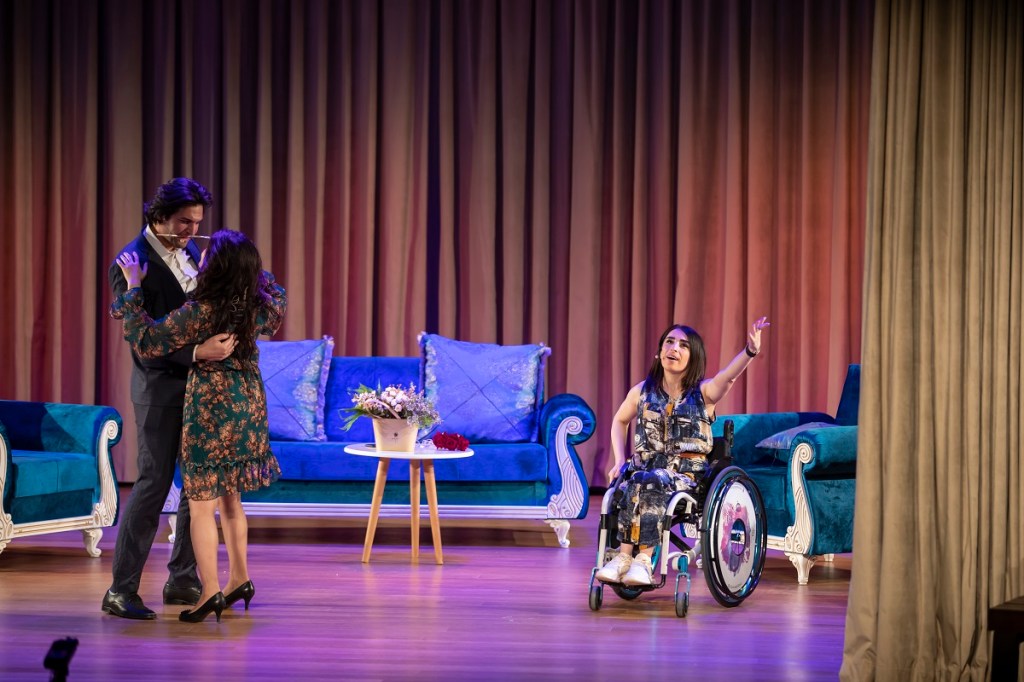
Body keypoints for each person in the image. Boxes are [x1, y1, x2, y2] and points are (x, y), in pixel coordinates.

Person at [111, 229, 286, 623]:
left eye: (206, 255)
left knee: (203, 506)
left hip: (212, 408)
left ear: (216, 267)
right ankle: (239, 578)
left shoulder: (200, 311)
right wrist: (248, 268)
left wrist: (134, 286)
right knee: (232, 499)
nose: (198, 256)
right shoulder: (257, 307)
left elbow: (145, 339)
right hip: (248, 406)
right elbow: (277, 291)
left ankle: (209, 592)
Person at [103, 178, 238, 620]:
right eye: (184, 222)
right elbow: (141, 341)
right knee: (153, 484)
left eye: (197, 223)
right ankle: (121, 590)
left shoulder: (191, 250)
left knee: (197, 485)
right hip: (160, 388)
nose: (192, 231)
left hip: (201, 388)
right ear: (159, 216)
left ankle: (182, 578)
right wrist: (198, 352)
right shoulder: (130, 261)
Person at [596, 317, 770, 587]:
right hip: (645, 470)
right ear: (659, 352)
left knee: (649, 479)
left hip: (686, 476)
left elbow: (728, 377)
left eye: (683, 345)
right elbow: (620, 421)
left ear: (693, 357)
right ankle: (624, 558)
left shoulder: (703, 392)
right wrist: (619, 459)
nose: (674, 348)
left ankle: (642, 561)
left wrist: (750, 351)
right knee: (633, 480)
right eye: (669, 342)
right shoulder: (641, 392)